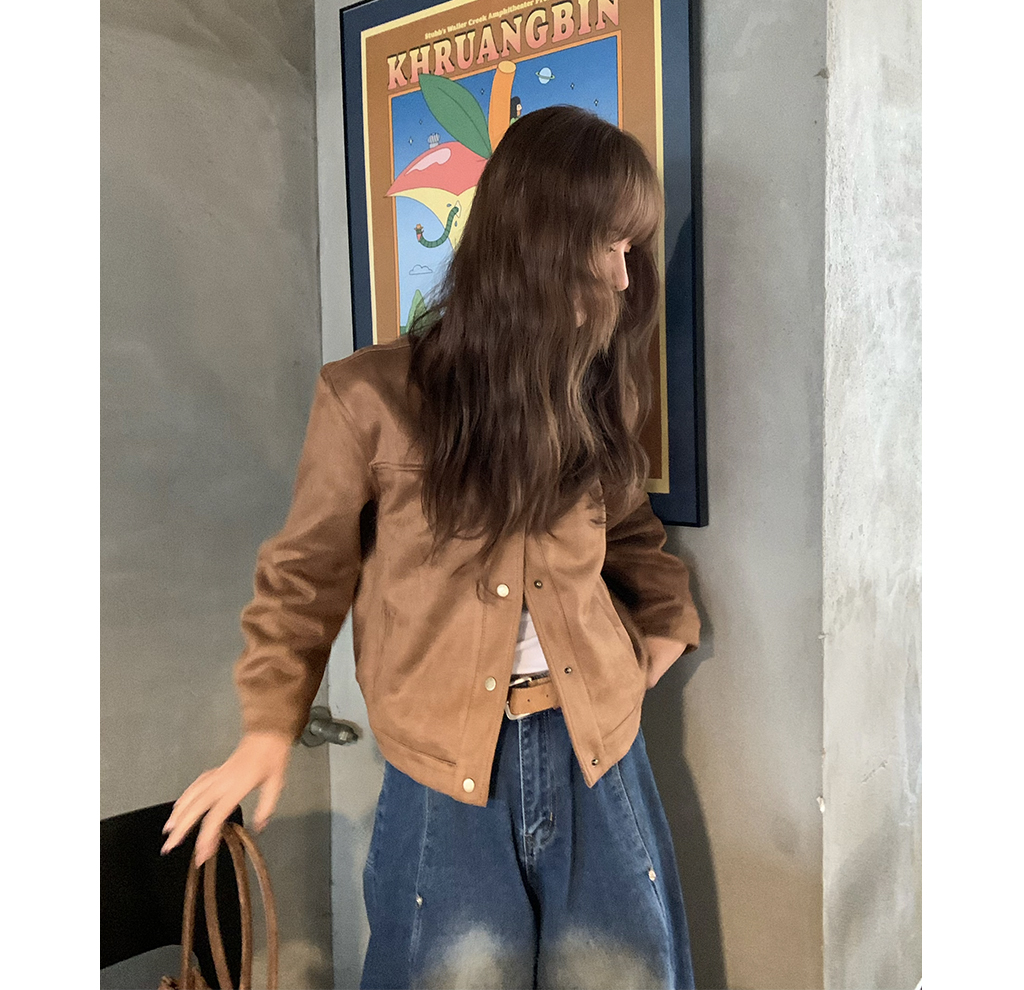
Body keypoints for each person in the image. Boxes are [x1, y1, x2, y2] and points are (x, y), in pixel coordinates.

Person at [162, 104, 701, 989]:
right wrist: (268, 727)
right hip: (446, 779)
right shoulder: (366, 398)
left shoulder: (592, 391)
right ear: (537, 241)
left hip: (602, 757)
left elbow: (632, 530)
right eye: (607, 245)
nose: (623, 275)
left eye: (630, 249)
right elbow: (304, 576)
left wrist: (667, 622)